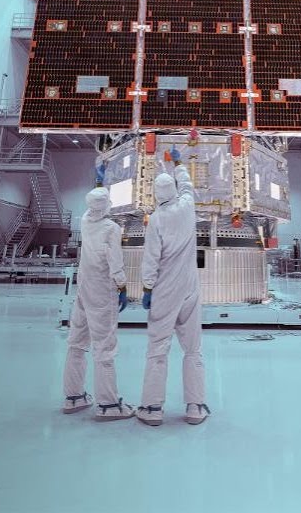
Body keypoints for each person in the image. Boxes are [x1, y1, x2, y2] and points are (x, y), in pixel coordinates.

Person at [136, 147, 211, 426]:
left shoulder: (157, 219)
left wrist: (147, 289)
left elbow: (151, 258)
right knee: (193, 348)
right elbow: (187, 185)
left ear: (157, 195)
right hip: (189, 287)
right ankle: (195, 407)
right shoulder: (187, 206)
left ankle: (152, 408)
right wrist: (178, 162)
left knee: (158, 347)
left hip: (165, 290)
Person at [61, 165, 135, 421]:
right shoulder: (111, 228)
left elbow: (94, 206)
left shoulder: (85, 220)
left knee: (76, 342)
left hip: (83, 289)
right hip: (102, 291)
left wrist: (98, 182)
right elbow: (115, 261)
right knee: (104, 347)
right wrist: (122, 286)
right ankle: (108, 404)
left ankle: (73, 397)